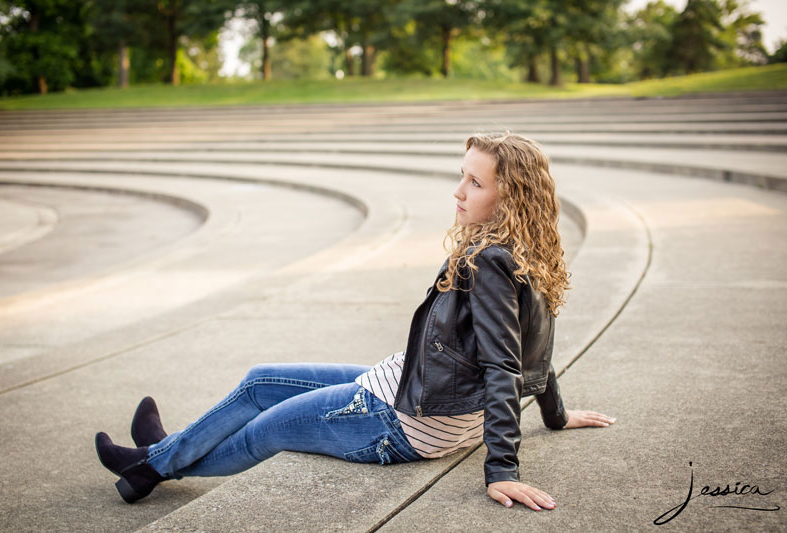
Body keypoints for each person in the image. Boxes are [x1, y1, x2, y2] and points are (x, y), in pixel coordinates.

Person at [95, 132, 616, 510]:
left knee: (263, 432)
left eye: (474, 182)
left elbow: (507, 362)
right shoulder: (523, 250)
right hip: (410, 388)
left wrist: (502, 467)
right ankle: (158, 453)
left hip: (400, 421)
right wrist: (555, 414)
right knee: (260, 380)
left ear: (512, 197)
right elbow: (537, 349)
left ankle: (149, 466)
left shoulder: (490, 261)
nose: (458, 191)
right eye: (461, 175)